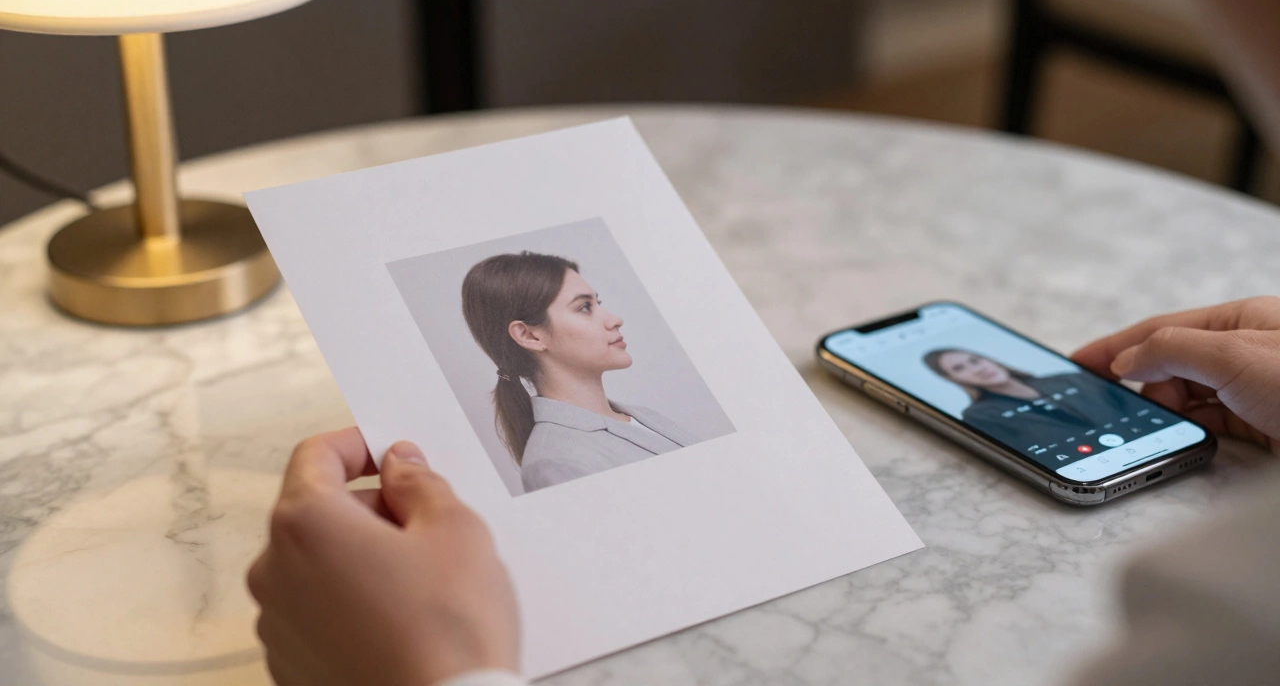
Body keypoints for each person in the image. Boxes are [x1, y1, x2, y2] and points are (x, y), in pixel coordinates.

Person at [248, 297, 1280, 686]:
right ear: (526, 335)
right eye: (582, 301)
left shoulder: (1228, 610)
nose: (610, 314)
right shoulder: (562, 451)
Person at [460, 251, 696, 493]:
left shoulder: (645, 417)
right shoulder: (556, 464)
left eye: (598, 303)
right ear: (530, 335)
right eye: (584, 307)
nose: (615, 319)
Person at [922, 348, 1145, 448]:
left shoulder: (1072, 378)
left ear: (989, 359)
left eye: (975, 360)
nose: (976, 369)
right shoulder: (980, 416)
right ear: (951, 379)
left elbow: (1134, 409)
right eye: (960, 368)